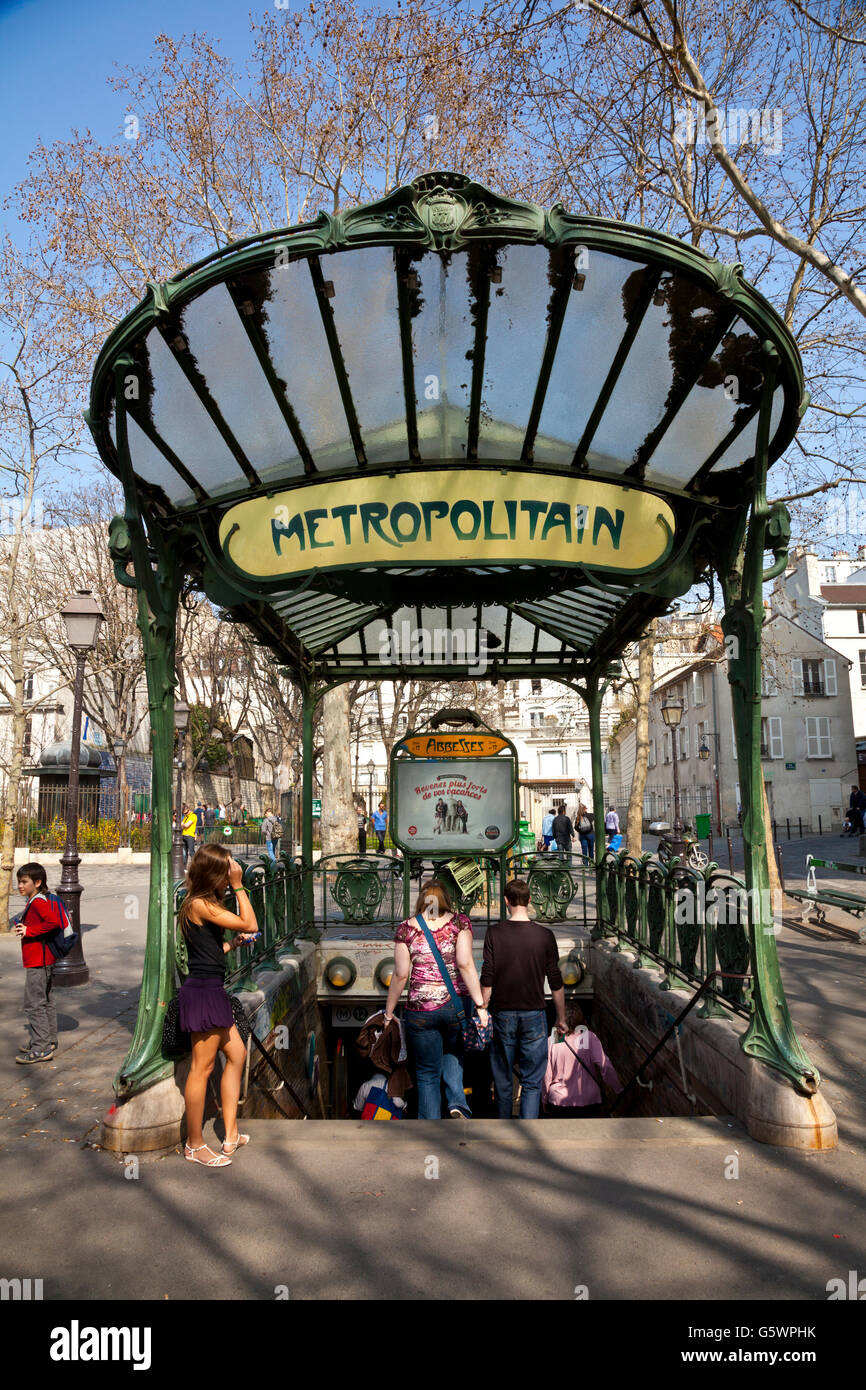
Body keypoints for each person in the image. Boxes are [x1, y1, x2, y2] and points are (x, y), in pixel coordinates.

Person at [178, 843, 260, 1167]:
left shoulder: (203, 904)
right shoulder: (198, 903)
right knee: (203, 1068)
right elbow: (250, 923)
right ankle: (194, 1145)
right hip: (202, 993)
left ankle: (230, 1134)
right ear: (214, 872)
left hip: (211, 987)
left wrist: (230, 944)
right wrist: (240, 885)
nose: (230, 876)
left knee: (237, 1054)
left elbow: (205, 955)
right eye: (227, 871)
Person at [384, 881, 488, 1119]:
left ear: (422, 900)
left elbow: (401, 975)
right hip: (456, 1006)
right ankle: (457, 1104)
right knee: (453, 1053)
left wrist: (389, 1013)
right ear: (445, 900)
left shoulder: (406, 929)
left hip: (420, 1011)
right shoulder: (460, 923)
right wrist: (480, 1004)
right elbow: (465, 963)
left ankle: (431, 1124)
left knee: (427, 1072)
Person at [480, 878, 566, 1118]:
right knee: (531, 1081)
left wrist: (483, 1009)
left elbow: (487, 978)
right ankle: (528, 1130)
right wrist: (561, 1017)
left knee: (503, 1080)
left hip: (502, 1013)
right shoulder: (545, 936)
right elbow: (555, 981)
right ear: (529, 901)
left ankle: (505, 1127)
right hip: (534, 1015)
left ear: (506, 901)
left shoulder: (494, 933)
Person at [12, 863, 65, 1064]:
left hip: (38, 960)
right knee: (46, 1001)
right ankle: (47, 1040)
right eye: (19, 881)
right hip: (45, 959)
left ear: (38, 882)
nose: (20, 885)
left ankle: (40, 1048)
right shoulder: (37, 900)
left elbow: (52, 923)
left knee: (33, 1004)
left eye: (24, 882)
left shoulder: (38, 902)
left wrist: (29, 932)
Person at [542, 1002, 622, 1117]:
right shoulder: (590, 1037)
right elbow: (605, 1065)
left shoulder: (553, 1040)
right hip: (589, 1099)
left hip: (559, 1100)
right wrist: (617, 1088)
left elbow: (546, 1075)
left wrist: (545, 1099)